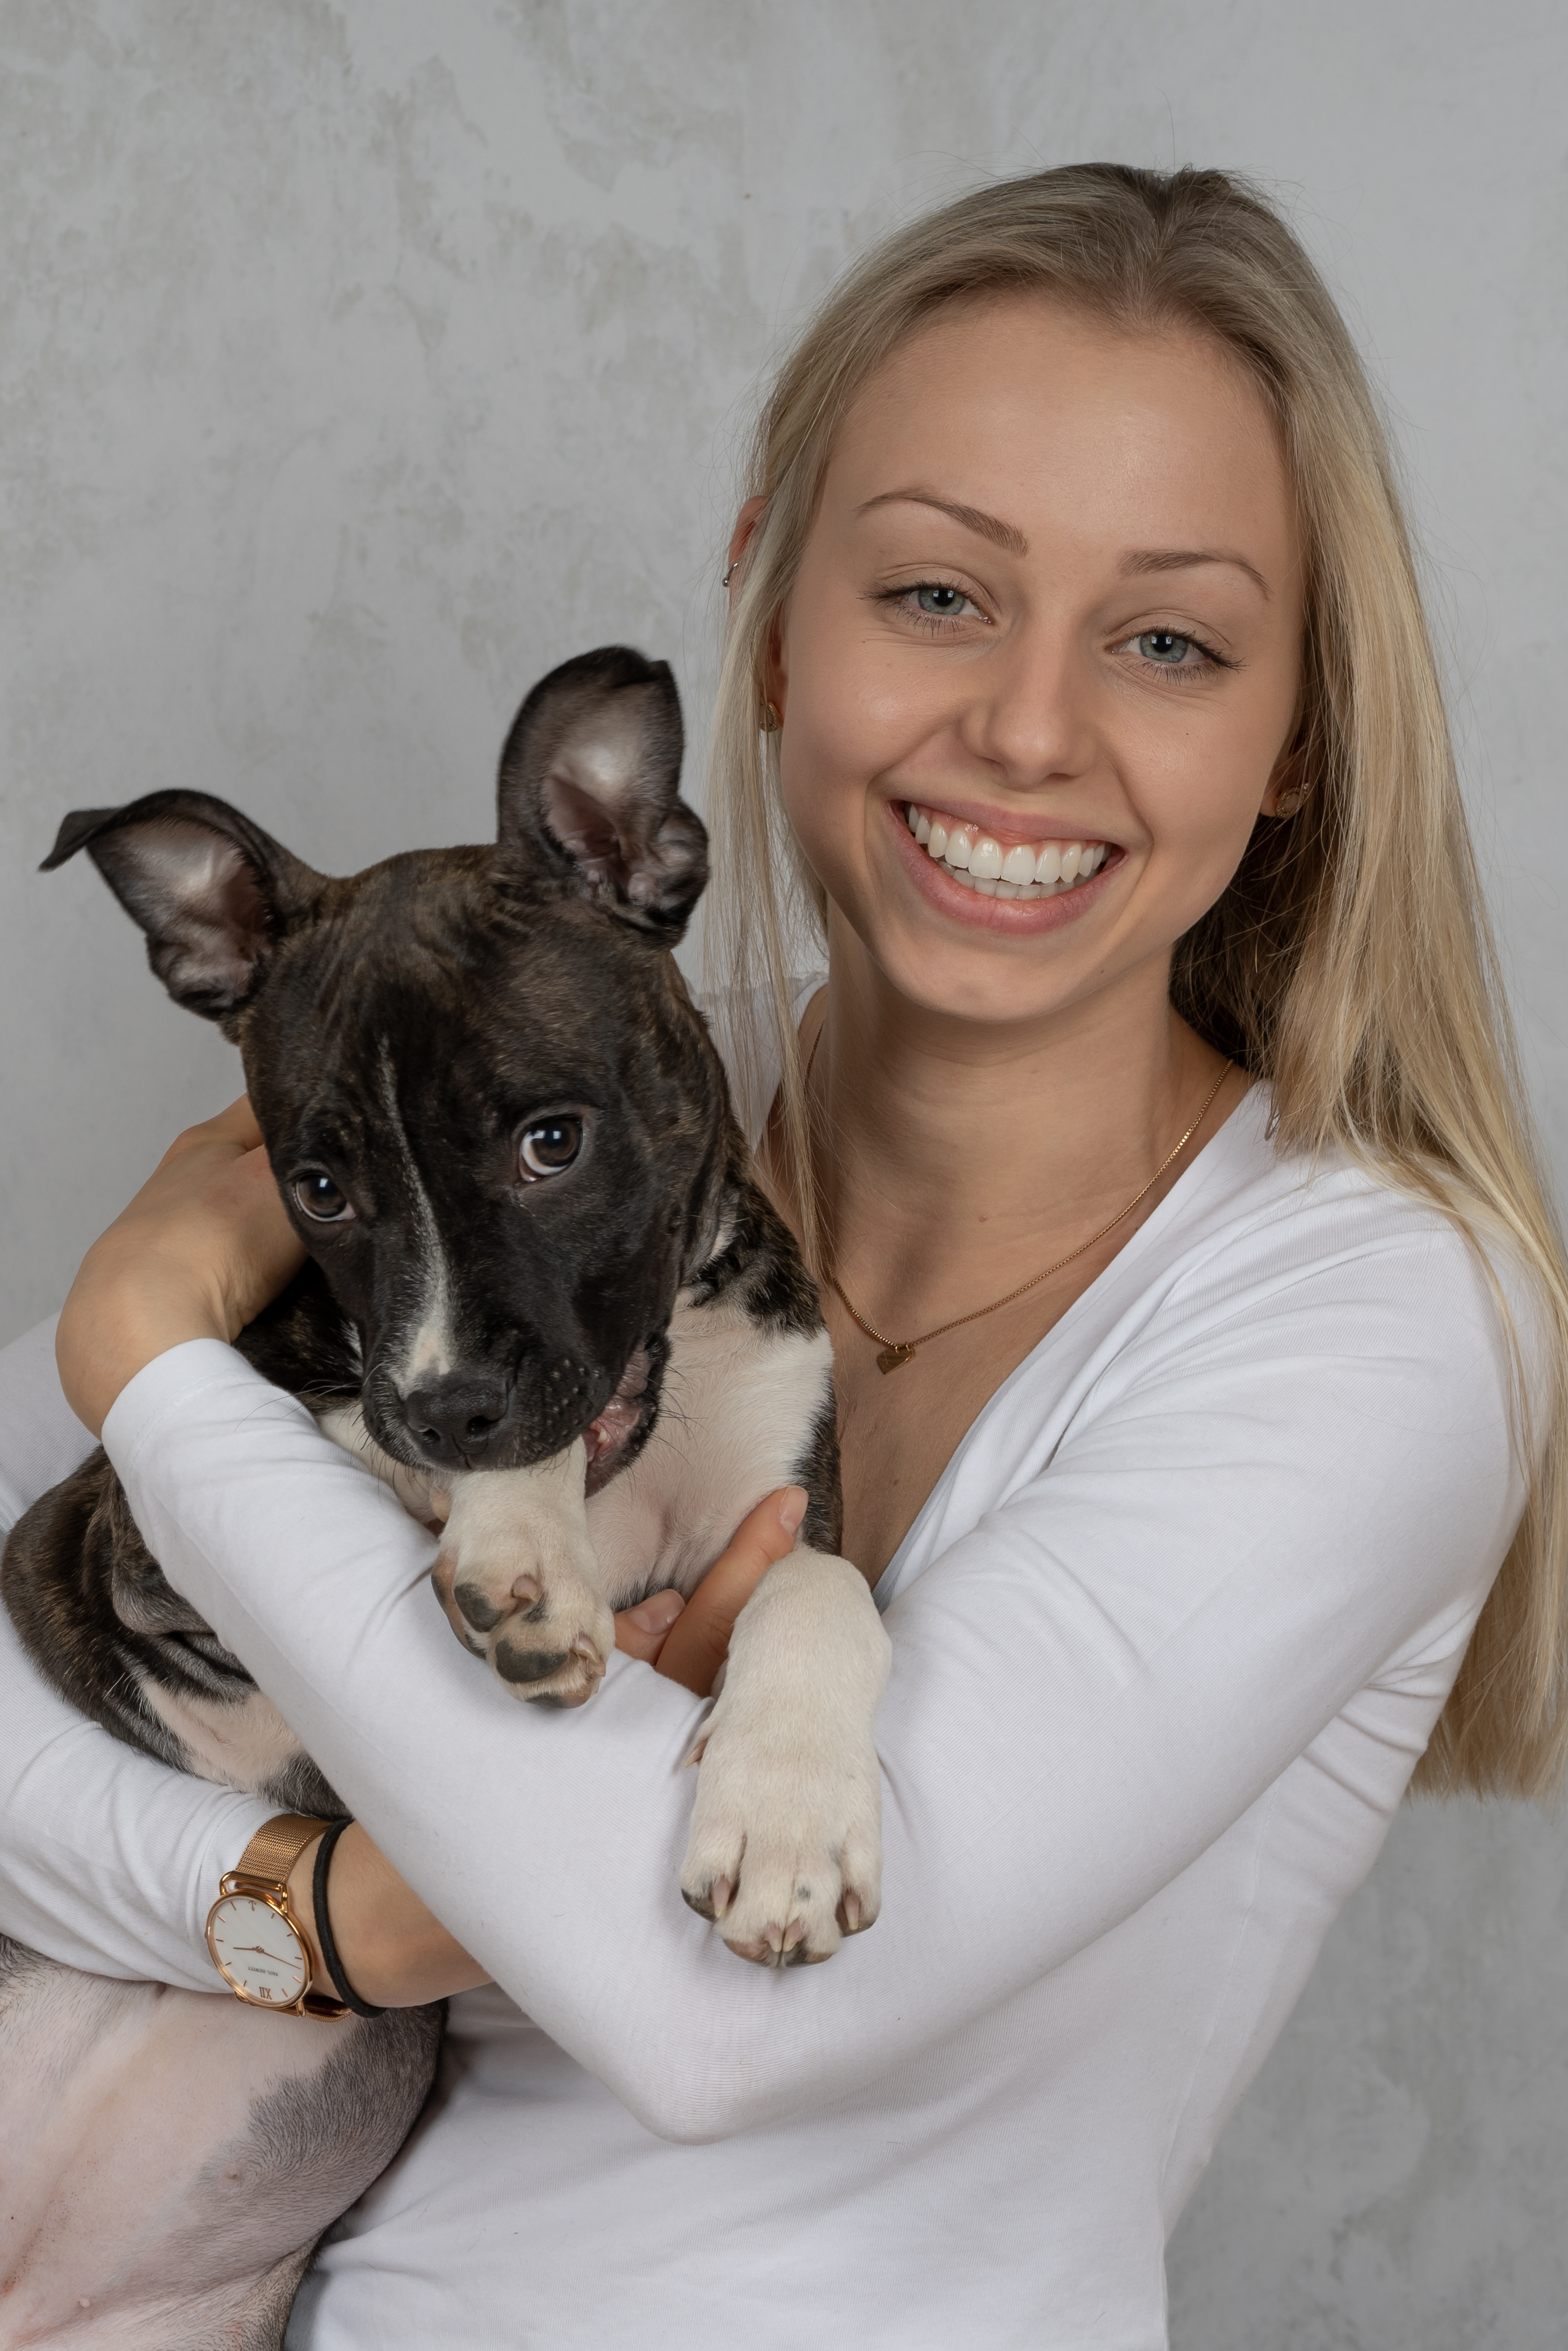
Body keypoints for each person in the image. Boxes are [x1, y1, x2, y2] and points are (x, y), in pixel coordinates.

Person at [2, 163, 1565, 2348]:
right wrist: (322, 1915)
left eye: (1169, 638)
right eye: (937, 593)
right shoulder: (489, 1079)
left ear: (1297, 729)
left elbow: (724, 2023)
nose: (1026, 729)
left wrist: (155, 1371)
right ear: (765, 592)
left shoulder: (1380, 1310)